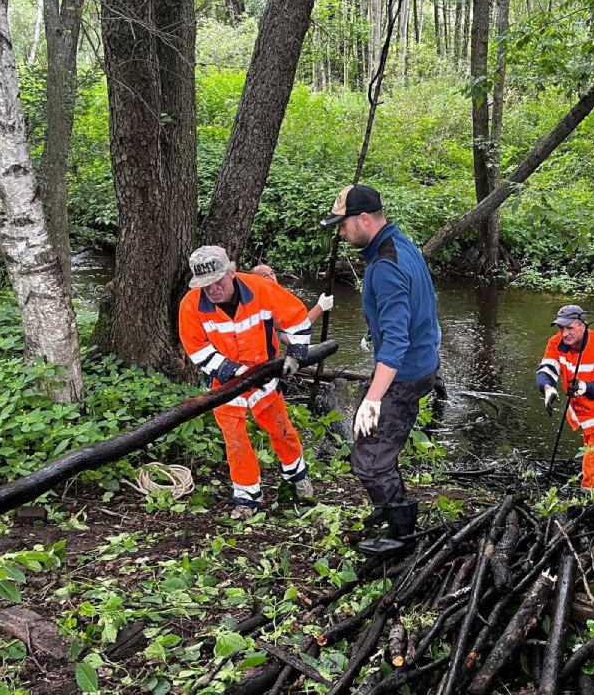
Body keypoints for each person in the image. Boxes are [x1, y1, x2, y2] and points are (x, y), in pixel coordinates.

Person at [320, 184, 441, 555]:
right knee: (379, 447)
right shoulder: (398, 242)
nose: (340, 233)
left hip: (403, 372)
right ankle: (390, 510)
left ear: (365, 219)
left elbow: (396, 342)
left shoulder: (385, 266)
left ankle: (402, 536)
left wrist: (373, 398)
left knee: (370, 459)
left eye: (344, 225)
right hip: (421, 362)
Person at [179, 246, 331, 520]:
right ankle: (247, 498)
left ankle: (298, 478)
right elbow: (197, 349)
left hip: (266, 379)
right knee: (235, 442)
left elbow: (296, 318)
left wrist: (296, 355)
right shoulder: (191, 306)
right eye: (205, 285)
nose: (213, 290)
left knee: (282, 430)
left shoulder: (261, 289)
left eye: (217, 282)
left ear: (231, 272)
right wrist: (231, 370)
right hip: (224, 387)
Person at [536, 305, 594, 490]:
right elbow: (547, 368)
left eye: (569, 328)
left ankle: (592, 507)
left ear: (583, 325)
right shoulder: (556, 342)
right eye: (561, 328)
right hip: (583, 417)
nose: (564, 333)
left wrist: (586, 387)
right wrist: (548, 388)